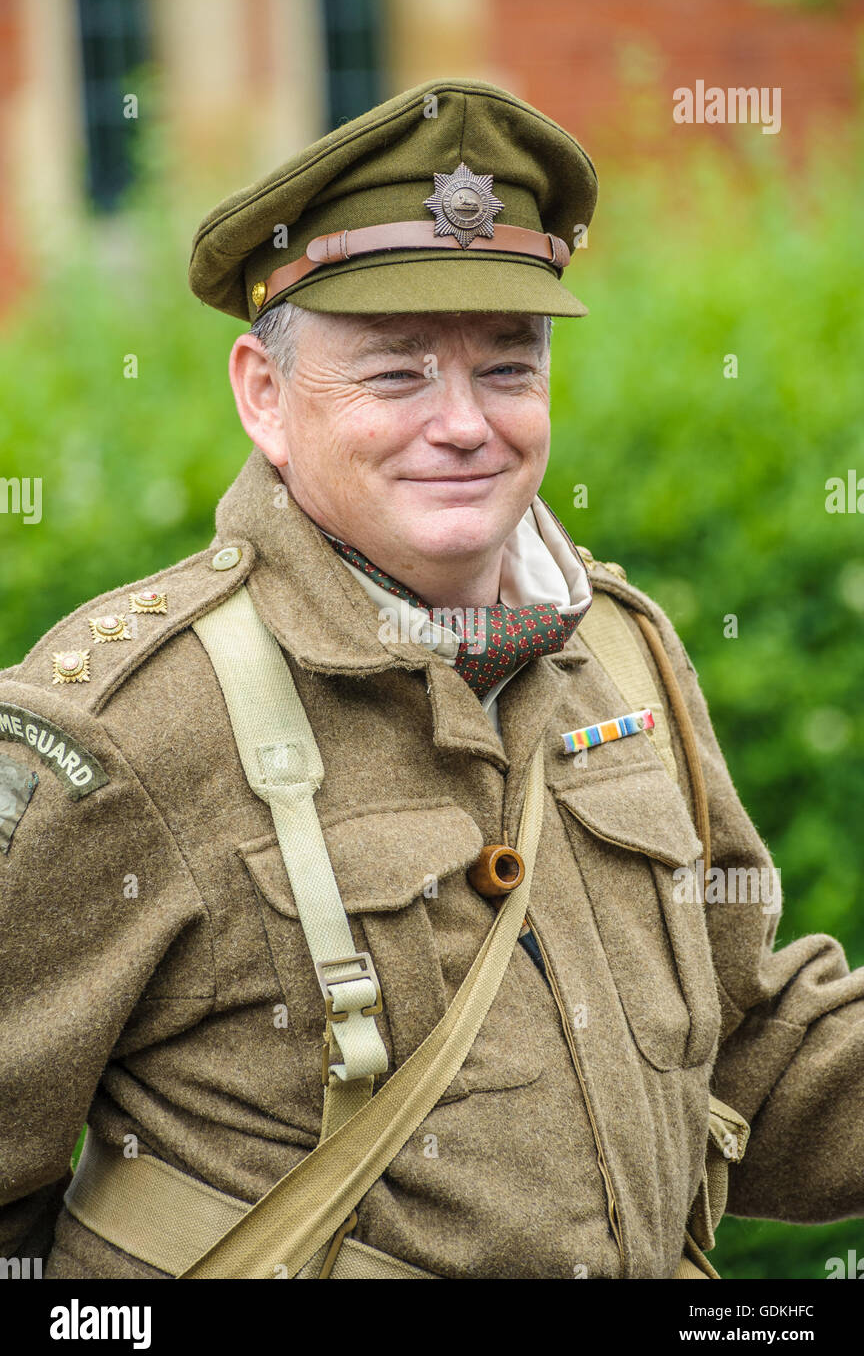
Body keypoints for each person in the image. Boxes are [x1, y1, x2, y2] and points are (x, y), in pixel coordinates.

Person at [1, 78, 861, 1281]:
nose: (463, 423)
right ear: (264, 395)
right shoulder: (127, 719)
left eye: (507, 368)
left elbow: (749, 1048)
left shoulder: (620, 647)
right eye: (397, 374)